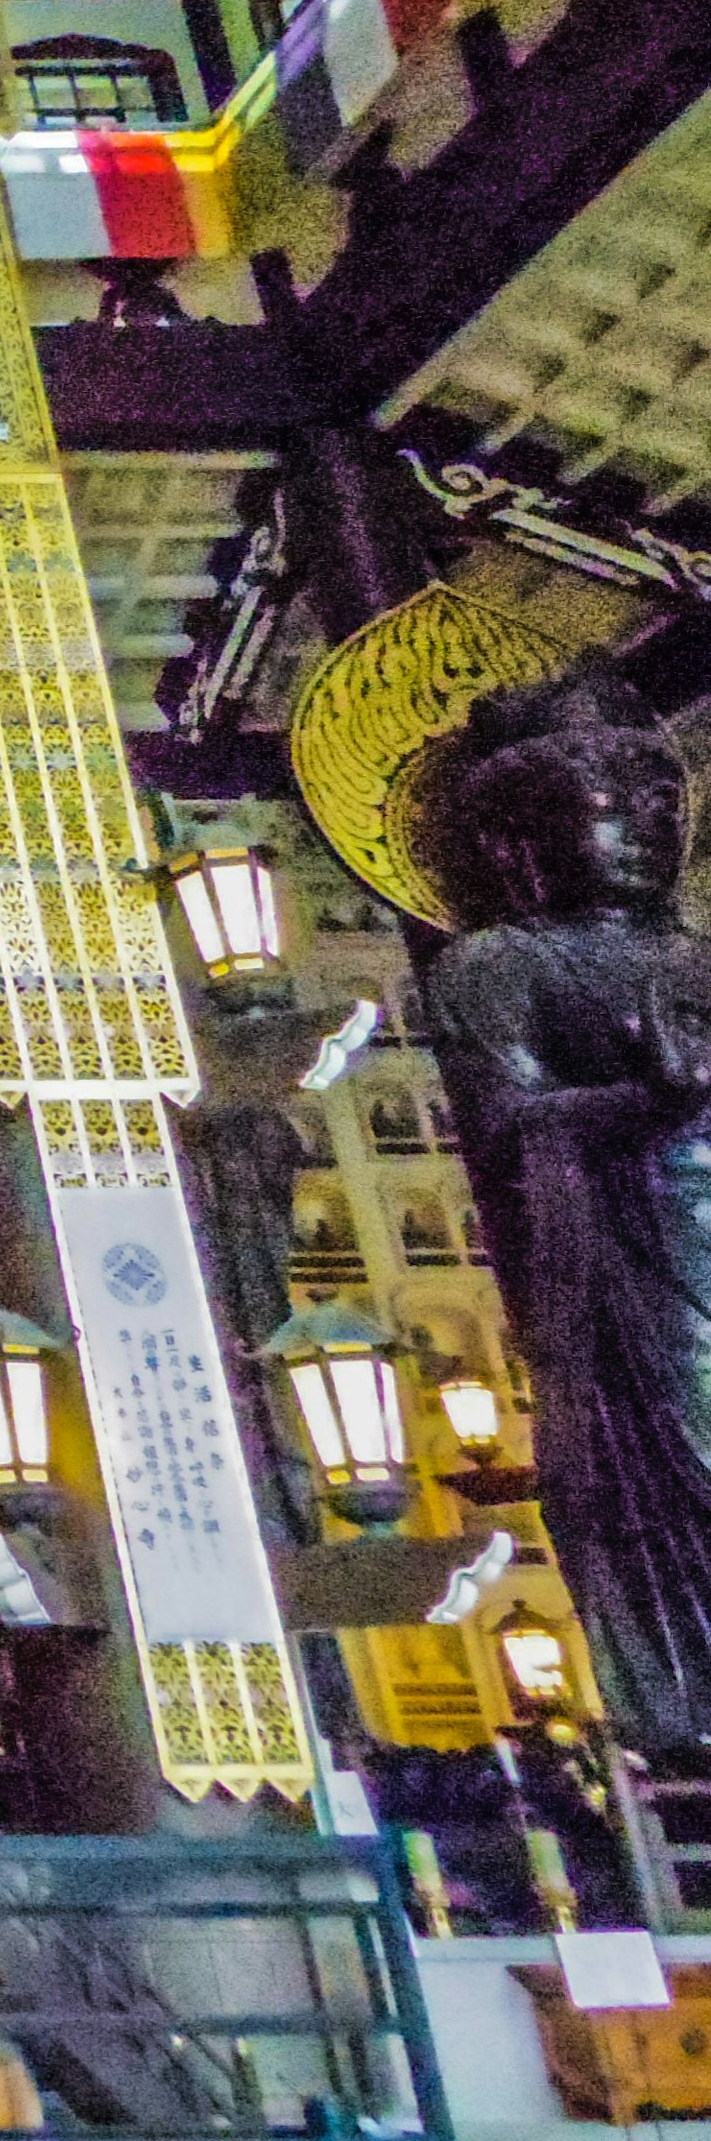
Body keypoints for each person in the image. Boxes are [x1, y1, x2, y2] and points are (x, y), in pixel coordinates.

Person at [423, 671, 711, 1742]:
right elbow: (508, 1119)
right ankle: (684, 1705)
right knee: (681, 1454)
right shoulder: (500, 963)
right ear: (521, 844)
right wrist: (651, 1098)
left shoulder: (696, 955)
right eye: (607, 809)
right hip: (638, 1251)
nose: (645, 829)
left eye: (664, 807)